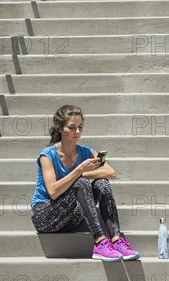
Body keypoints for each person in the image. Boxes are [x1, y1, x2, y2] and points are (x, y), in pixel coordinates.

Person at [31, 104, 140, 262]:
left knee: (101, 183)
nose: (77, 132)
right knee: (81, 182)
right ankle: (100, 242)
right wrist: (79, 171)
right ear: (60, 128)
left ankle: (116, 239)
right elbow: (53, 192)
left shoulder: (86, 152)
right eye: (72, 127)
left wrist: (82, 172)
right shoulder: (47, 155)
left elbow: (111, 173)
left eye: (80, 127)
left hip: (72, 217)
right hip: (46, 216)